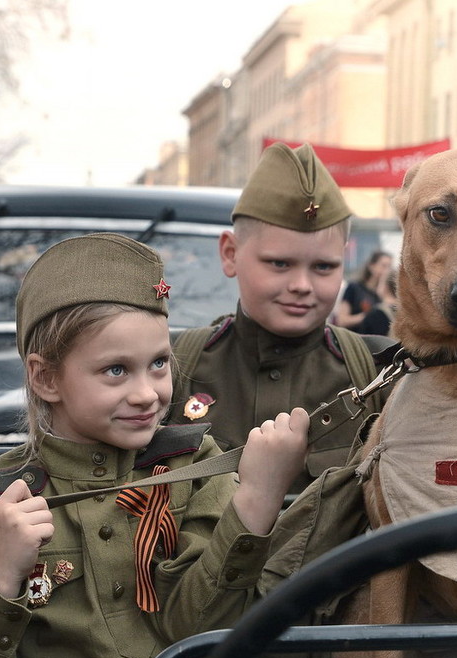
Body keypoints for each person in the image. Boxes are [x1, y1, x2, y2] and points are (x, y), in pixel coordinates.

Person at [0, 232, 310, 658]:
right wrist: (3, 574)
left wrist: (257, 499)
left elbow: (202, 635)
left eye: (159, 363)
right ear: (45, 378)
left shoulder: (193, 465)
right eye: (116, 370)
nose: (147, 394)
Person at [165, 143, 393, 494]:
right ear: (230, 253)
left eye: (323, 267)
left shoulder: (380, 372)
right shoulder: (172, 365)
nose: (301, 285)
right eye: (279, 264)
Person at [335, 250, 392, 331]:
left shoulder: (383, 294)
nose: (386, 271)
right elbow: (341, 320)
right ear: (371, 266)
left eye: (389, 267)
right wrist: (370, 316)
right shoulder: (354, 288)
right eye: (383, 266)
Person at [354, 265, 398, 336]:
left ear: (385, 287)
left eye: (381, 281)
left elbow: (364, 342)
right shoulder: (408, 314)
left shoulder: (376, 314)